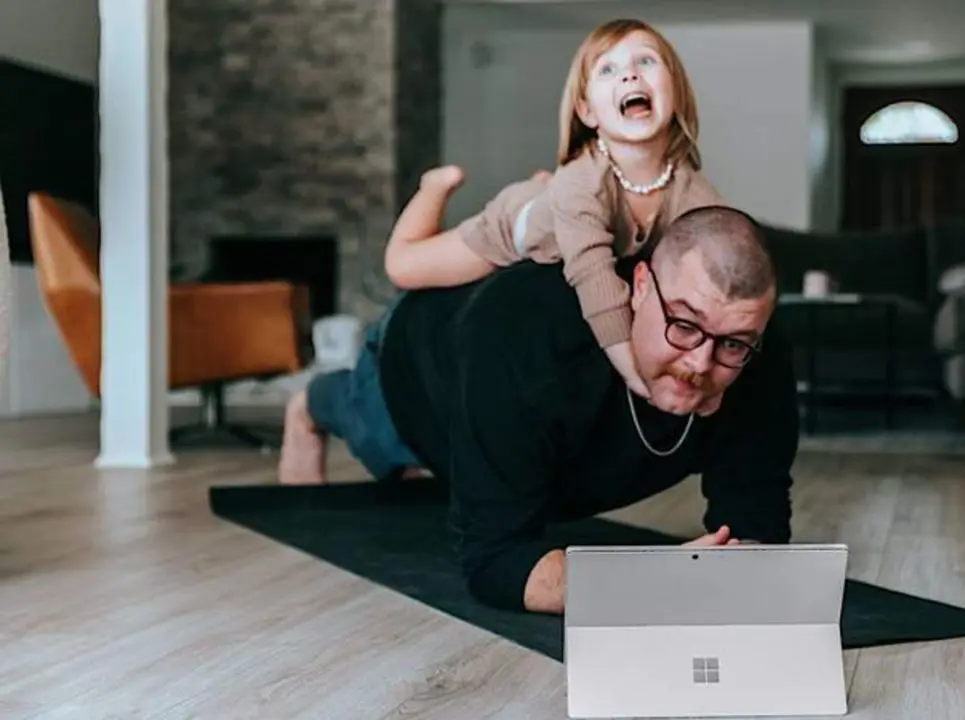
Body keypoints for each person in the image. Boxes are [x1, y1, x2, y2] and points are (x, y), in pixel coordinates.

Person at [278, 205, 799, 615]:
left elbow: (755, 531)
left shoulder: (756, 354)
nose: (701, 363)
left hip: (541, 432)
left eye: (732, 344)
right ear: (640, 287)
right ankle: (313, 403)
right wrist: (653, 581)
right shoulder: (524, 343)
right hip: (420, 365)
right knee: (375, 432)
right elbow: (494, 563)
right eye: (683, 325)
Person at [381, 18, 724, 402]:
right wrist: (637, 376)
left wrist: (711, 382)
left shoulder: (695, 192)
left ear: (675, 90)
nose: (629, 75)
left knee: (560, 198)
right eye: (608, 69)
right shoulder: (582, 184)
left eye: (645, 62)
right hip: (512, 227)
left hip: (561, 201)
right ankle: (435, 186)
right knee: (403, 267)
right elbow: (595, 280)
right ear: (587, 112)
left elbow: (720, 276)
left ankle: (544, 188)